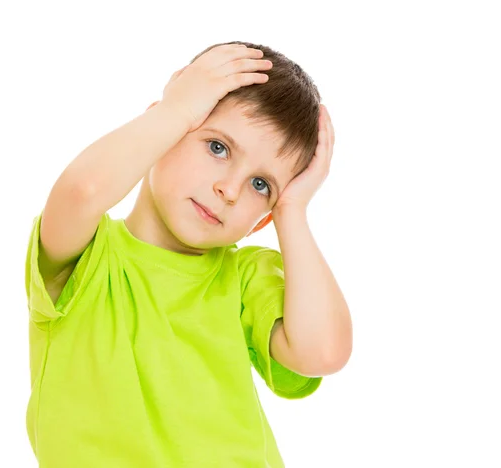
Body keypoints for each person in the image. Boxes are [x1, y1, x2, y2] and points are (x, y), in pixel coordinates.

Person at [24, 40, 351, 467]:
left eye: (260, 185)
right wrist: (175, 112)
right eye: (218, 148)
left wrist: (292, 210)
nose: (230, 190)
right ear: (158, 131)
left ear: (262, 220)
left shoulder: (244, 277)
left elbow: (323, 352)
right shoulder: (86, 257)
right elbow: (82, 192)